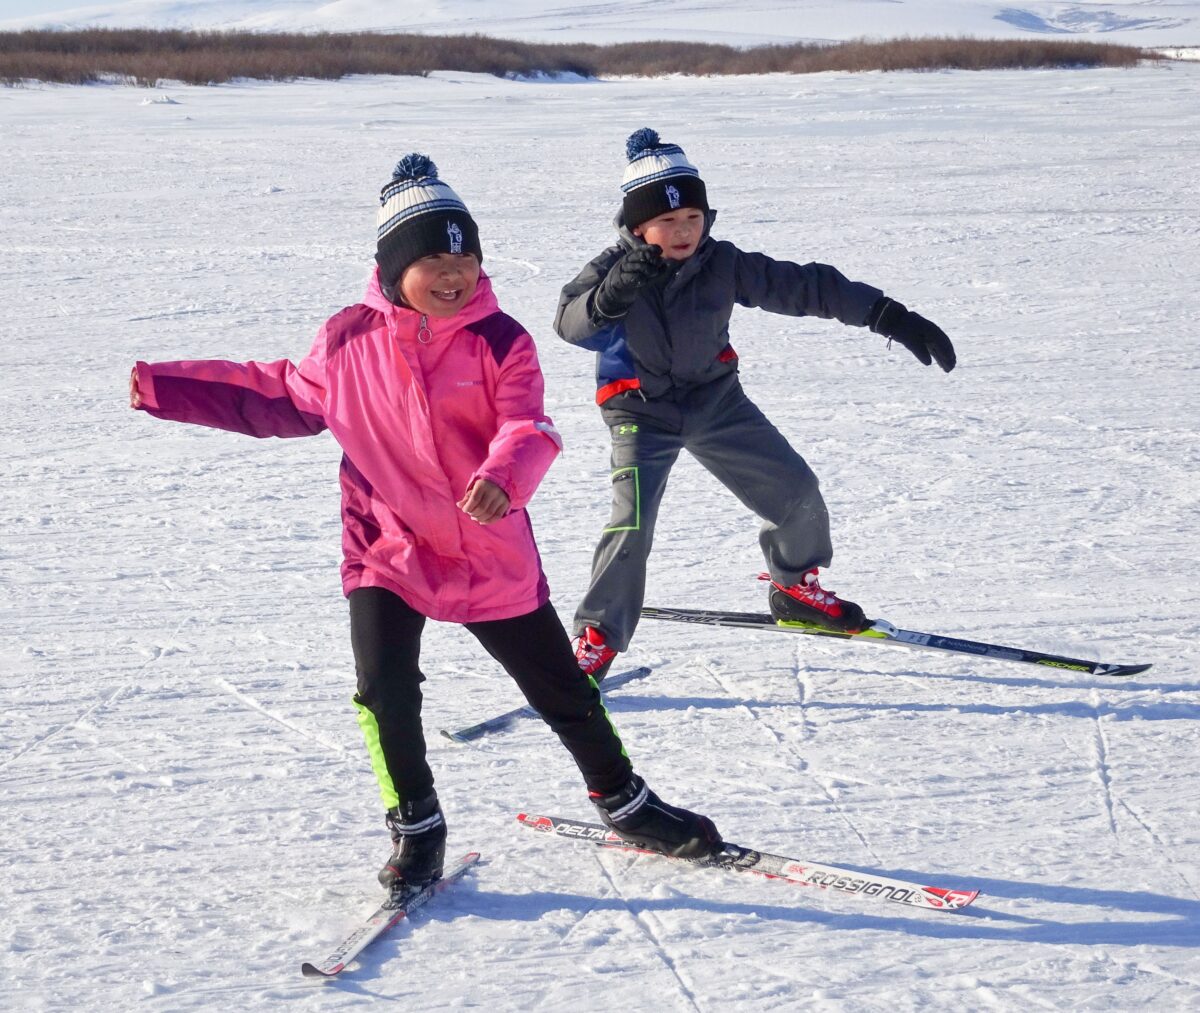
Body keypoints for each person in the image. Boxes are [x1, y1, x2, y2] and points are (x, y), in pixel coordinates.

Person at [130, 154, 720, 889]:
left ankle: (625, 802)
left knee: (561, 688)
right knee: (385, 691)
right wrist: (166, 386)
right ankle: (417, 826)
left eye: (465, 255)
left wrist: (504, 478)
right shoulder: (349, 339)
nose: (453, 274)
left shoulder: (501, 339)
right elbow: (281, 395)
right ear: (392, 268)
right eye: (433, 259)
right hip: (387, 546)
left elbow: (528, 425)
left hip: (487, 547)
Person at [555, 128, 956, 678]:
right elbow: (570, 325)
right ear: (637, 226)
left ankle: (794, 590)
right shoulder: (610, 269)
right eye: (667, 222)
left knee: (796, 493)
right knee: (633, 522)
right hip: (639, 412)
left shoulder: (721, 263)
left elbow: (804, 286)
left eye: (692, 218)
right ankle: (597, 636)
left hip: (716, 402)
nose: (682, 232)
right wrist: (610, 296)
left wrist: (887, 314)